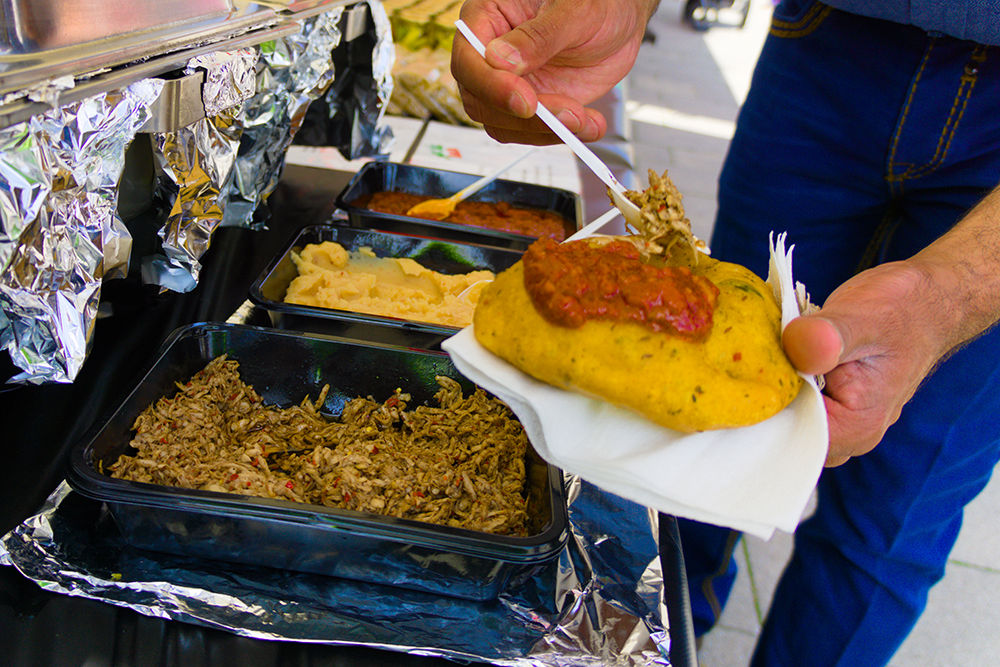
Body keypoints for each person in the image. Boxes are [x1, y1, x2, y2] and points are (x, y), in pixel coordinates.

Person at [450, 1, 1000, 665]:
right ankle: (674, 637)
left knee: (892, 511)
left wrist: (958, 289)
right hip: (827, 43)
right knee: (698, 462)